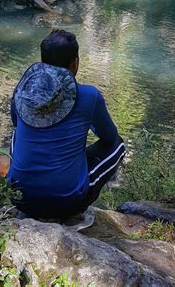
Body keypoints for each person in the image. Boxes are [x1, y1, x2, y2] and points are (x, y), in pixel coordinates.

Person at [7, 29, 125, 222]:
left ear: (43, 62)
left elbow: (15, 123)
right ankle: (73, 207)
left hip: (20, 198)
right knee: (117, 146)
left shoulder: (22, 92)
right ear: (75, 63)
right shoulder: (89, 95)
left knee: (17, 133)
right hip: (66, 203)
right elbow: (109, 137)